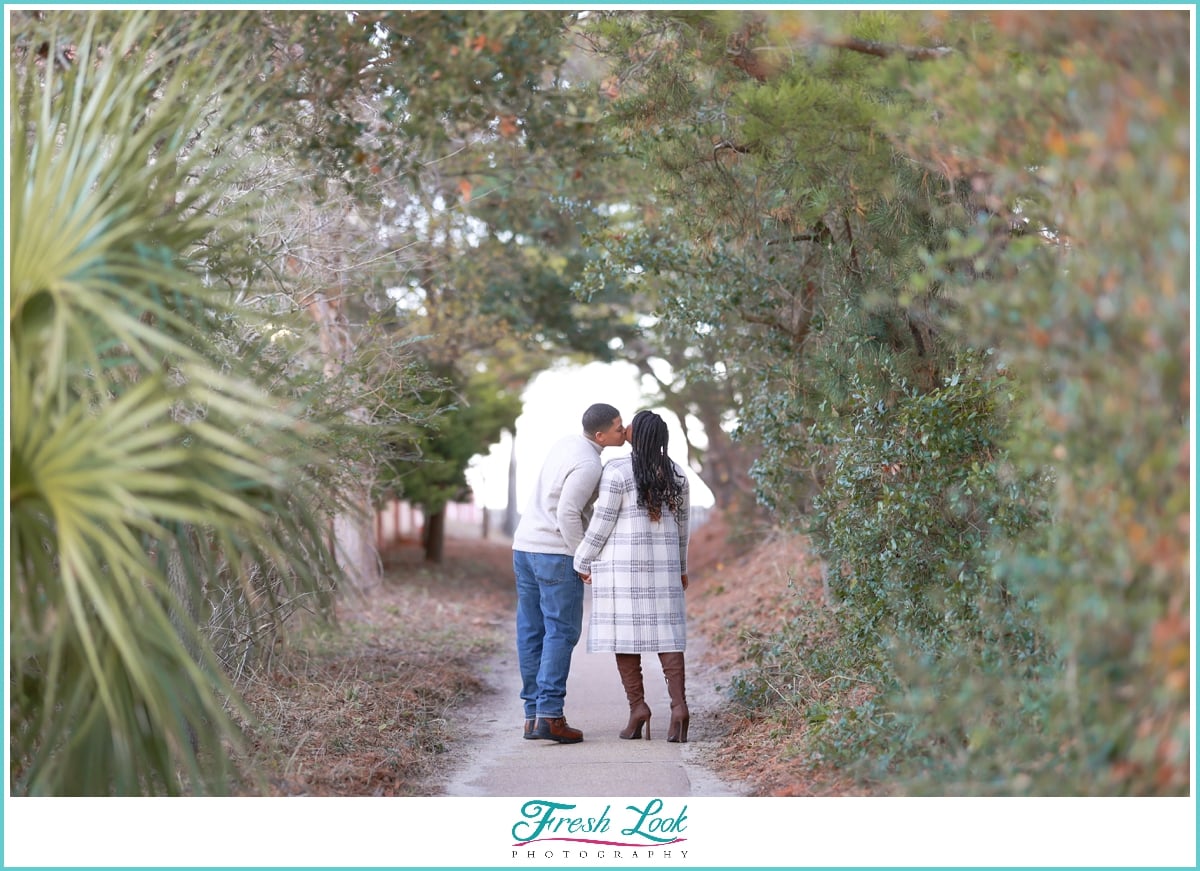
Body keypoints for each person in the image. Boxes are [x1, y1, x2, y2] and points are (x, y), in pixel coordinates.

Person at [574, 409, 692, 743]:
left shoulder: (617, 471)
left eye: (629, 426)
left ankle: (638, 708)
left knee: (625, 639)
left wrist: (582, 560)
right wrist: (681, 568)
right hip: (664, 570)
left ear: (636, 435)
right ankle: (679, 708)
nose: (623, 429)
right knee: (668, 637)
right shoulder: (678, 475)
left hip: (621, 572)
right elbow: (684, 530)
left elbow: (602, 523)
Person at [512, 403, 626, 744]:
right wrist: (584, 559)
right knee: (560, 632)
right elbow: (567, 513)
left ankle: (533, 717)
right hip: (554, 554)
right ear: (600, 435)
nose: (625, 431)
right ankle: (551, 716)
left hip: (524, 548)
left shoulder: (567, 443)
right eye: (620, 427)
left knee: (531, 632)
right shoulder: (589, 463)